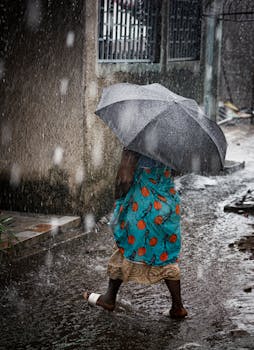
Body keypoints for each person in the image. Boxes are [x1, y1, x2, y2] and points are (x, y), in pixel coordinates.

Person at [84, 148, 187, 319]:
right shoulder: (174, 144)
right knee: (166, 255)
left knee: (124, 248)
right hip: (167, 206)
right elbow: (176, 172)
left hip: (141, 206)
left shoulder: (136, 145)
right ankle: (178, 307)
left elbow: (124, 179)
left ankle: (109, 298)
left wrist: (119, 200)